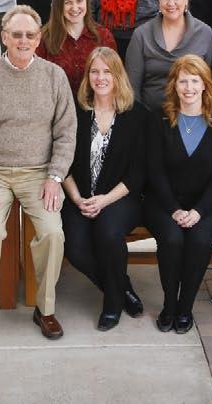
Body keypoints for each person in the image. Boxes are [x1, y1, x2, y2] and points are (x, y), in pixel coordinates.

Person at [0, 5, 76, 343]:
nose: (23, 40)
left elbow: (66, 132)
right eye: (16, 34)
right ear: (4, 37)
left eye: (29, 35)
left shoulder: (54, 76)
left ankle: (45, 308)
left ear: (39, 39)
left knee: (53, 233)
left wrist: (55, 177)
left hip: (39, 173)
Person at [146, 55, 212, 334]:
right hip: (165, 202)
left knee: (199, 241)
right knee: (172, 240)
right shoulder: (160, 118)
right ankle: (169, 305)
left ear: (205, 84)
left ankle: (185, 308)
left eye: (195, 81)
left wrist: (198, 211)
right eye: (183, 81)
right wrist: (174, 209)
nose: (189, 88)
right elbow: (155, 171)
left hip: (204, 204)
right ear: (174, 84)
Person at [62, 47, 146, 331]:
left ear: (118, 75)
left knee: (108, 233)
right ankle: (122, 287)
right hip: (78, 195)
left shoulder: (136, 114)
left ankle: (112, 303)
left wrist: (105, 200)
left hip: (120, 197)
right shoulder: (75, 112)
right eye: (94, 71)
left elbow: (138, 172)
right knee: (75, 248)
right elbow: (62, 161)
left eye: (107, 71)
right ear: (87, 76)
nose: (100, 78)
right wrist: (77, 198)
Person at [125, 0, 212, 112]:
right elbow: (132, 87)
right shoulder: (141, 34)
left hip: (190, 114)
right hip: (149, 115)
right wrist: (138, 119)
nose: (170, 3)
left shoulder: (204, 33)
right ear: (158, 0)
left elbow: (208, 83)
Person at [36, 0, 115, 92]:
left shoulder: (104, 37)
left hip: (94, 102)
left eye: (79, 1)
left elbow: (114, 78)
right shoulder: (44, 38)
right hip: (56, 102)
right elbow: (38, 81)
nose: (75, 8)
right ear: (58, 5)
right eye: (68, 3)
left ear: (87, 1)